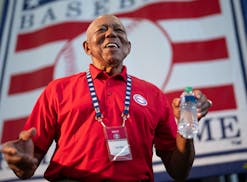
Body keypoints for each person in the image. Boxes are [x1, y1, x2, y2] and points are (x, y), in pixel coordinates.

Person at [1, 14, 212, 182]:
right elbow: (27, 164)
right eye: (102, 29)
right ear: (87, 48)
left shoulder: (153, 94)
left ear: (127, 47)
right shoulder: (58, 90)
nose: (111, 33)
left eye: (118, 30)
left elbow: (179, 172)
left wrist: (186, 126)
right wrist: (22, 162)